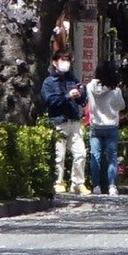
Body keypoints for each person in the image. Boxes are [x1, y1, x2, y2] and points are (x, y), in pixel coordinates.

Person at [40, 51, 87, 194]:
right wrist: (68, 96)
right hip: (58, 121)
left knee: (81, 153)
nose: (65, 62)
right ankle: (58, 182)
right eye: (62, 59)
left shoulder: (72, 79)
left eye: (68, 59)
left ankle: (78, 183)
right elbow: (50, 101)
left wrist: (80, 94)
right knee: (59, 155)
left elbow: (82, 99)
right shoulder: (49, 82)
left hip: (74, 120)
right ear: (55, 62)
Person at [86, 61, 124, 197]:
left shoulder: (90, 87)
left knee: (95, 156)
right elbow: (121, 106)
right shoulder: (116, 90)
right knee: (111, 157)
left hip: (96, 126)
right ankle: (112, 186)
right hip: (112, 126)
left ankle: (96, 186)